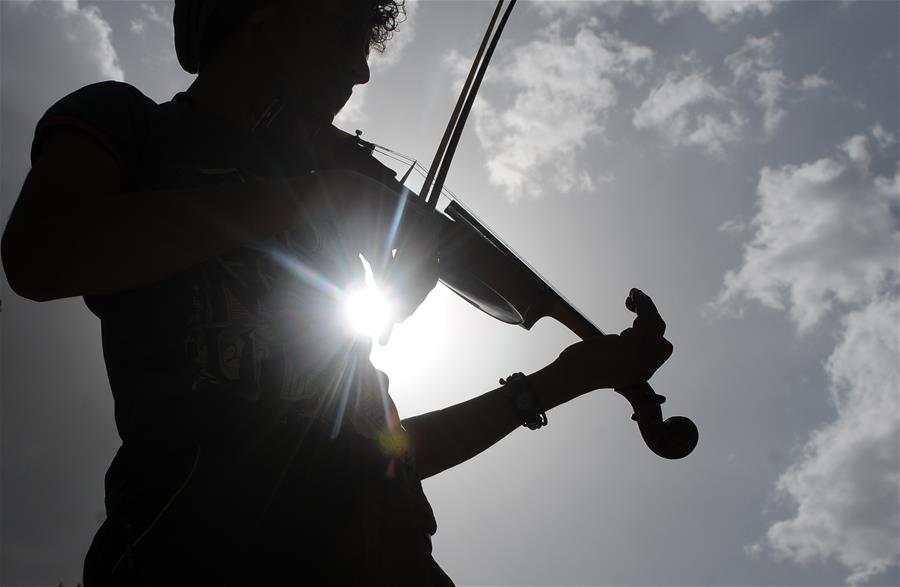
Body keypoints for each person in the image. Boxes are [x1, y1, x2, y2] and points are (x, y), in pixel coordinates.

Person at [1, 0, 674, 585]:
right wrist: (313, 195)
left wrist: (556, 382)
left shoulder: (326, 213)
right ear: (270, 12)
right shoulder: (129, 125)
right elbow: (40, 253)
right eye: (348, 31)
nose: (361, 70)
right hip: (199, 556)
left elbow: (371, 457)